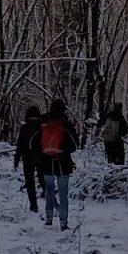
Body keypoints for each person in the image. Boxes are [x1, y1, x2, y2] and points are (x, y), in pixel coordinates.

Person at [33, 97, 78, 229]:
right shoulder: (65, 124)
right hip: (63, 165)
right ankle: (63, 223)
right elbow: (75, 145)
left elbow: (33, 143)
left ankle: (48, 218)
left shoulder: (43, 123)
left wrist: (42, 154)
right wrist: (63, 151)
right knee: (63, 194)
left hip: (46, 165)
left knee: (49, 191)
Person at [13, 105, 43, 213]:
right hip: (41, 157)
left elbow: (20, 144)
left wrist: (16, 159)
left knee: (30, 182)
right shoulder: (42, 127)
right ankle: (51, 201)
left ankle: (33, 205)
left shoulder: (24, 127)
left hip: (27, 157)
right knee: (43, 179)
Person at [100, 101, 128, 165]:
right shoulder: (120, 118)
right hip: (117, 142)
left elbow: (100, 123)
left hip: (107, 142)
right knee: (120, 161)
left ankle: (111, 172)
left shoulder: (108, 115)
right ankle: (119, 173)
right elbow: (125, 132)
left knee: (111, 160)